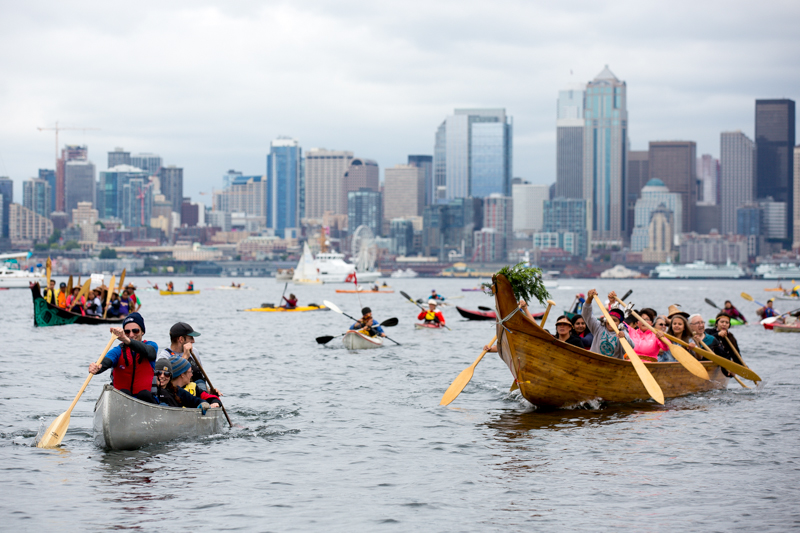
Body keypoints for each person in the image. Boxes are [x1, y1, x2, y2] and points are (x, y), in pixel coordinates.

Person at [88, 313, 158, 403]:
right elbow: (107, 360)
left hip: (146, 402)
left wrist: (126, 339)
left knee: (144, 394)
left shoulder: (151, 346)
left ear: (142, 332)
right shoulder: (118, 351)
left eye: (135, 331)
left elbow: (150, 352)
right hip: (121, 402)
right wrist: (97, 367)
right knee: (124, 393)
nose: (131, 335)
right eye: (127, 332)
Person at [157, 322, 210, 393]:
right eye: (190, 338)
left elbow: (200, 377)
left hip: (196, 391)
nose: (193, 341)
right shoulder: (164, 356)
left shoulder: (194, 351)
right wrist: (185, 356)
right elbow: (167, 381)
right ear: (181, 339)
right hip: (177, 394)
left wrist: (209, 392)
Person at [581, 289, 635, 359]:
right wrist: (589, 299)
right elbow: (586, 314)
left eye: (615, 320)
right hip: (594, 362)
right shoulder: (598, 327)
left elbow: (631, 347)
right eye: (609, 319)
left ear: (619, 323)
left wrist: (624, 337)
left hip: (613, 366)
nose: (611, 322)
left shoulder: (622, 333)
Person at [156, 355, 221, 410]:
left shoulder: (179, 391)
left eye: (166, 374)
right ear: (182, 374)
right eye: (158, 373)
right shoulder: (151, 389)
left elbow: (207, 398)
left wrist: (207, 403)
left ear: (170, 375)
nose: (162, 376)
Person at [706, 313, 740, 377]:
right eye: (722, 322)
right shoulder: (708, 332)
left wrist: (740, 368)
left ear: (729, 325)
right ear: (716, 323)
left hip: (724, 366)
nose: (724, 324)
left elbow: (737, 355)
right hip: (709, 361)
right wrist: (718, 334)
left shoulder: (731, 337)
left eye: (727, 322)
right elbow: (704, 341)